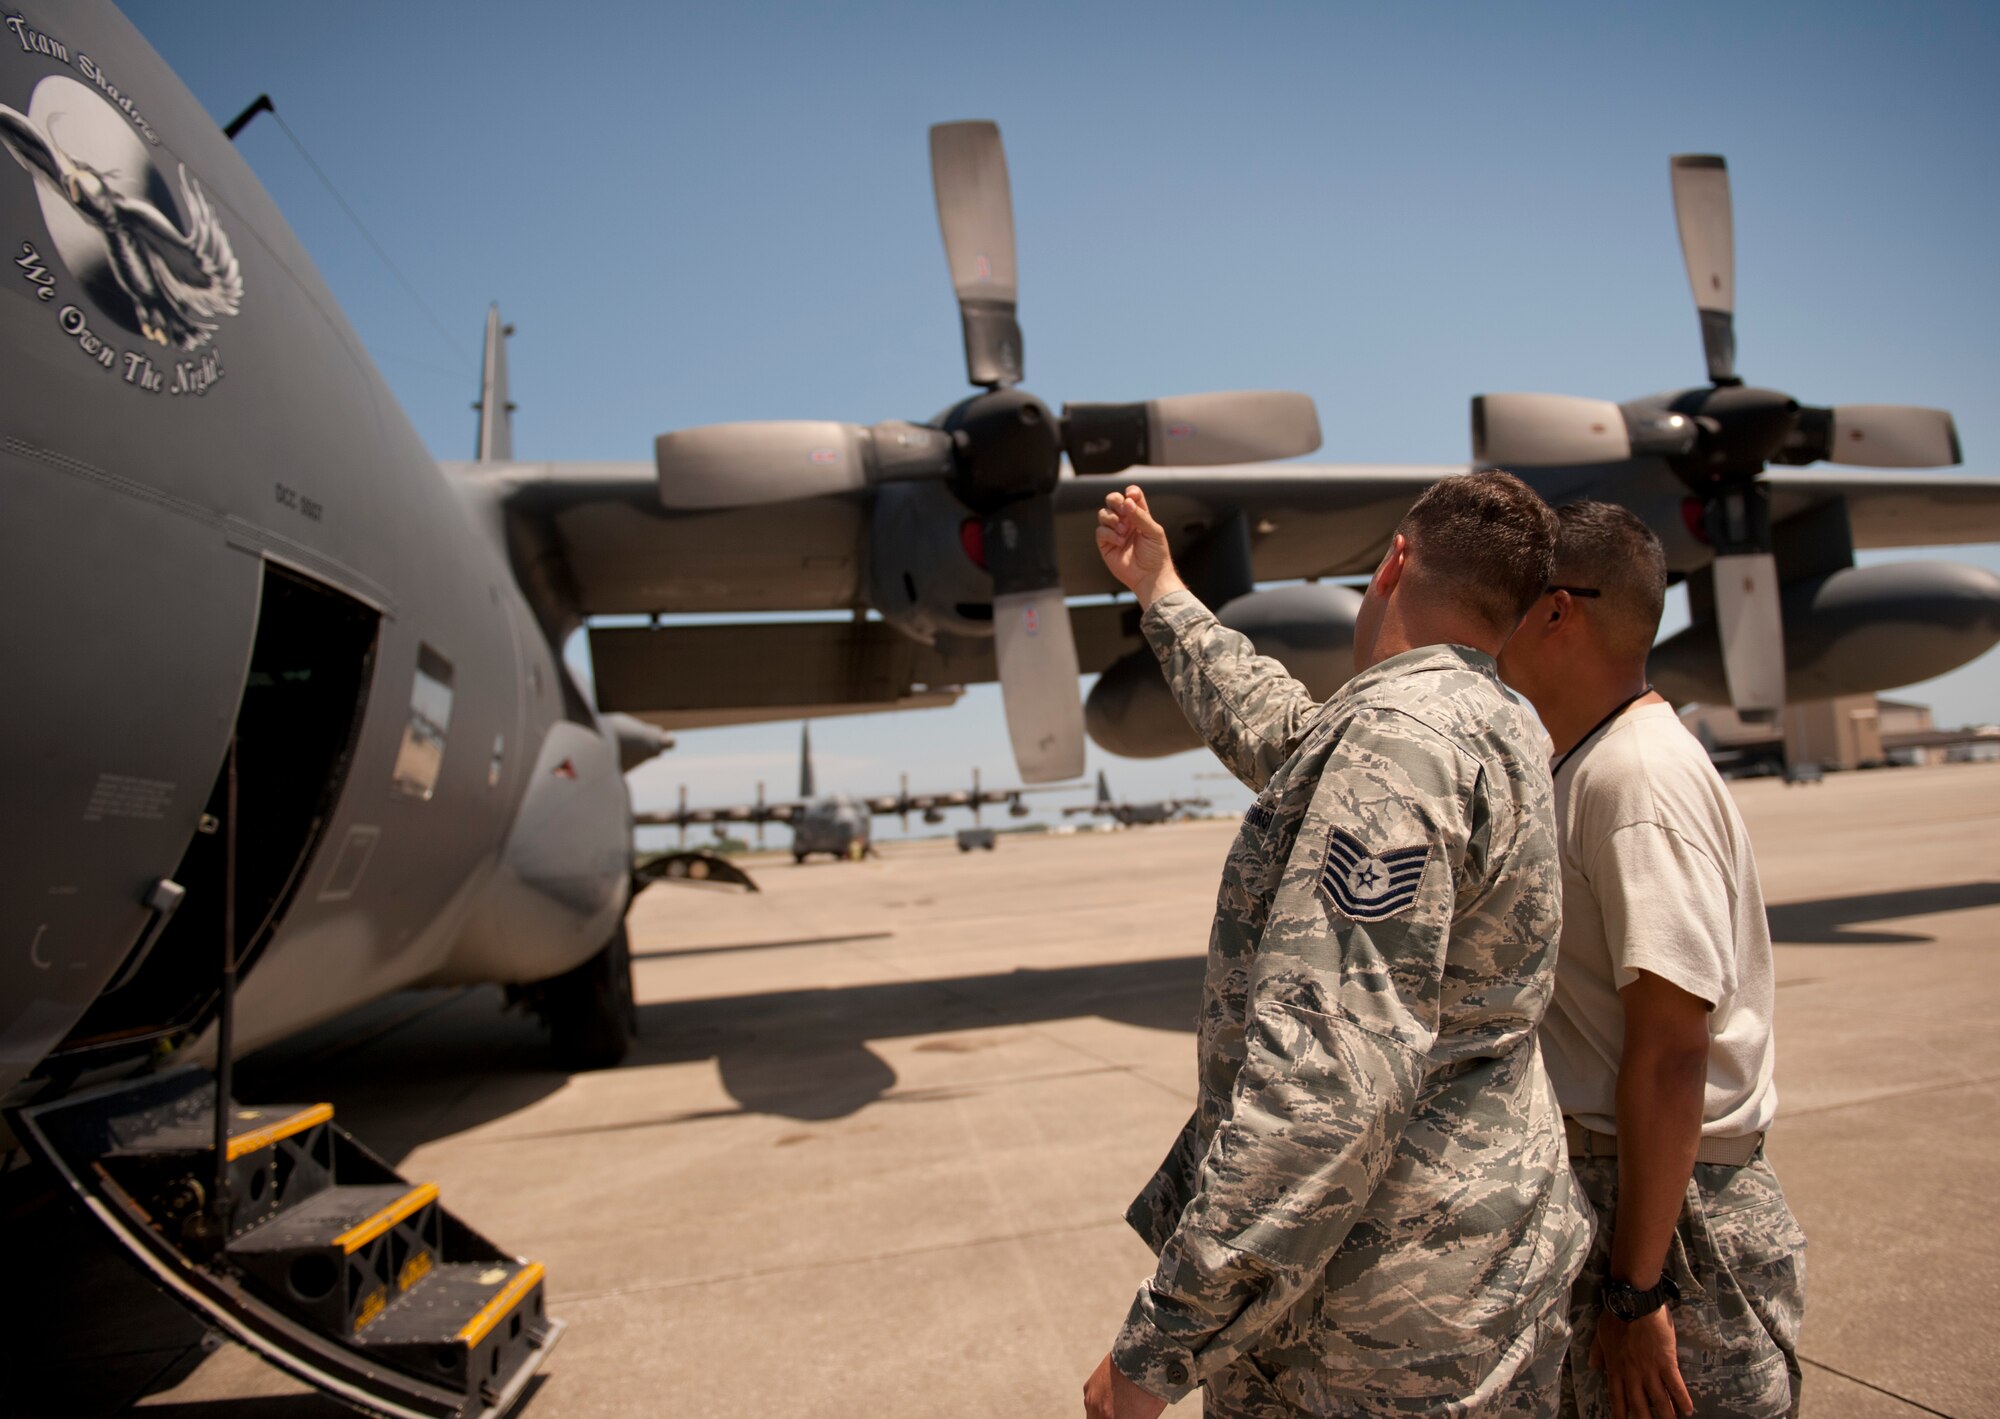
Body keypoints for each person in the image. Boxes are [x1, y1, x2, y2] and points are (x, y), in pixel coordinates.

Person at [1083, 472, 1590, 1419]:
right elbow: (1291, 733)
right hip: (1482, 1269)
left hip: (1370, 1327)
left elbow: (1326, 1079)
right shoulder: (1491, 717)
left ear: (1393, 561)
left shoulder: (1396, 743)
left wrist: (1163, 1342)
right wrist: (1163, 592)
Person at [1495, 502, 1805, 1419]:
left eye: (1508, 595)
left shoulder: (1634, 780)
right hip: (1635, 1196)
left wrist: (1638, 1290)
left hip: (1671, 1215)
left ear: (1557, 611)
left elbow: (1674, 1049)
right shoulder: (1586, 761)